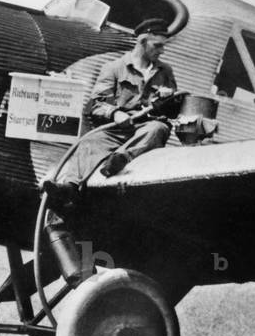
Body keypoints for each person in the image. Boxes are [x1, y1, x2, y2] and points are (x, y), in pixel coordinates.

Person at [43, 17, 180, 209]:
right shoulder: (113, 68)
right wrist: (115, 114)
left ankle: (120, 159)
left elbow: (174, 112)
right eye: (157, 46)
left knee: (158, 128)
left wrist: (169, 99)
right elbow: (95, 105)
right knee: (89, 141)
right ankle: (69, 187)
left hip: (145, 129)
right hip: (117, 129)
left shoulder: (166, 71)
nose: (162, 51)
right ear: (142, 41)